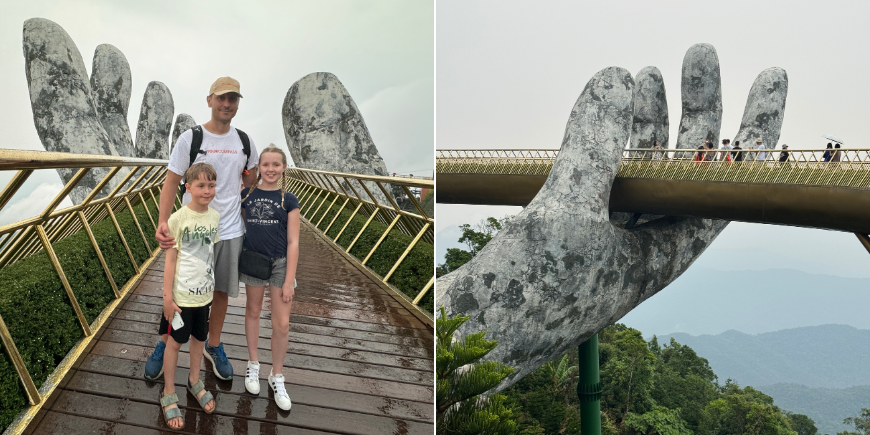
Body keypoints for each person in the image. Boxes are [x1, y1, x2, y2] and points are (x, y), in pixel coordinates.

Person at [145, 77, 259, 382]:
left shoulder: (244, 142)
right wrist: (163, 221)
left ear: (237, 103)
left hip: (229, 229)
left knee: (220, 290)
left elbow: (250, 178)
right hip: (192, 230)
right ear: (209, 100)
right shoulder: (191, 139)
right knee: (179, 288)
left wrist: (252, 176)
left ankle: (214, 344)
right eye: (221, 98)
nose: (226, 104)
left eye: (232, 99)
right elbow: (171, 181)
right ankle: (164, 343)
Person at [159, 163, 220, 429]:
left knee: (199, 339)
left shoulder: (214, 217)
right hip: (181, 298)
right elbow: (170, 260)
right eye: (201, 185)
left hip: (204, 296)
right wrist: (167, 298)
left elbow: (209, 255)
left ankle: (194, 380)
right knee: (174, 343)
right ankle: (168, 392)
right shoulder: (178, 219)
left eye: (211, 185)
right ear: (188, 188)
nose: (207, 191)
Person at [240, 145, 301, 411]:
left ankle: (276, 375)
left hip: (280, 265)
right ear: (258, 168)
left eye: (276, 165)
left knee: (282, 323)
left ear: (284, 167)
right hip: (253, 260)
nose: (271, 169)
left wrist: (289, 279)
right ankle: (253, 363)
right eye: (266, 165)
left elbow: (294, 241)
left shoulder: (289, 199)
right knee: (253, 311)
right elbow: (240, 225)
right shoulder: (247, 196)